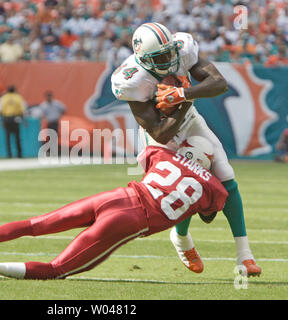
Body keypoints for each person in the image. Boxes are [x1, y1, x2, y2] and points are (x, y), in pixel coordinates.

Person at [0, 135, 228, 280]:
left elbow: (149, 160)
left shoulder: (163, 154)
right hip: (131, 220)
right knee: (57, 269)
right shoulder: (214, 187)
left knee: (36, 224)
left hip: (115, 197)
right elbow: (207, 215)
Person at [111, 22, 261, 276]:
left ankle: (244, 256)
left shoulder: (182, 49)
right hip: (159, 134)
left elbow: (219, 83)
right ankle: (181, 238)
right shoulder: (131, 79)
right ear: (144, 59)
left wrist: (183, 94)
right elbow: (160, 131)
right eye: (159, 57)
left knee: (226, 175)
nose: (168, 59)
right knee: (183, 185)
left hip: (189, 118)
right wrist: (183, 100)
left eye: (169, 52)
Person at [0, 85, 27, 159]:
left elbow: (0, 110)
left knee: (7, 138)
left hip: (6, 118)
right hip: (16, 118)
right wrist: (24, 120)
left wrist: (1, 120)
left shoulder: (4, 97)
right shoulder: (18, 97)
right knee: (17, 137)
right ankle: (19, 154)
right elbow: (23, 109)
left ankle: (9, 155)